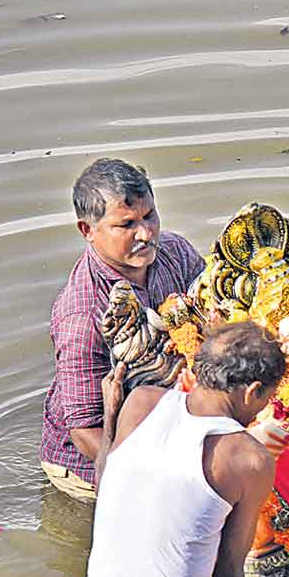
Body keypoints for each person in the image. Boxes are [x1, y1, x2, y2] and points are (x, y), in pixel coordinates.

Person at [76, 321, 285, 577]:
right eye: (266, 398)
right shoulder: (246, 457)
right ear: (254, 392)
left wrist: (110, 415)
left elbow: (104, 488)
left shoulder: (140, 402)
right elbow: (227, 571)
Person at [40, 157, 206, 501]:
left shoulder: (175, 252)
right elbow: (85, 432)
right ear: (88, 231)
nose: (145, 234)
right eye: (126, 224)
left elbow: (213, 318)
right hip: (93, 463)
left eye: (149, 216)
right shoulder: (84, 316)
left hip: (169, 412)